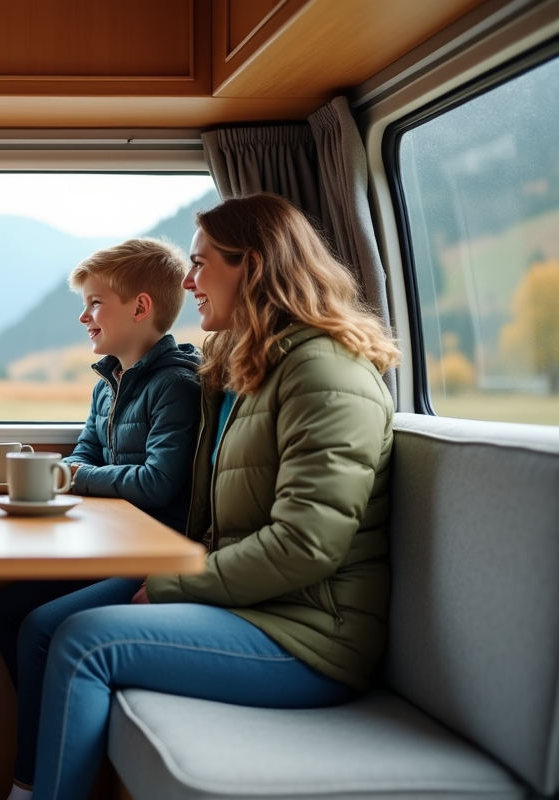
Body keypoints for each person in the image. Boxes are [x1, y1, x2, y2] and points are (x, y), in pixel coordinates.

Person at [23, 193, 400, 800]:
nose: (189, 280)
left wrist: (172, 583)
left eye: (201, 264)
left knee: (83, 642)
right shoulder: (244, 368)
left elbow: (305, 545)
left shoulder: (326, 374)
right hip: (249, 604)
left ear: (251, 265)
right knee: (43, 620)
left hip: (309, 634)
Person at [0, 238, 202, 800]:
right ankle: (66, 712)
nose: (84, 316)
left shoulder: (177, 384)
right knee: (6, 607)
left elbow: (158, 482)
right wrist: (76, 473)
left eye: (95, 303)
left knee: (39, 628)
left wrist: (74, 478)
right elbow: (82, 454)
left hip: (151, 557)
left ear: (141, 307)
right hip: (110, 546)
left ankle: (29, 780)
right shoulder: (108, 381)